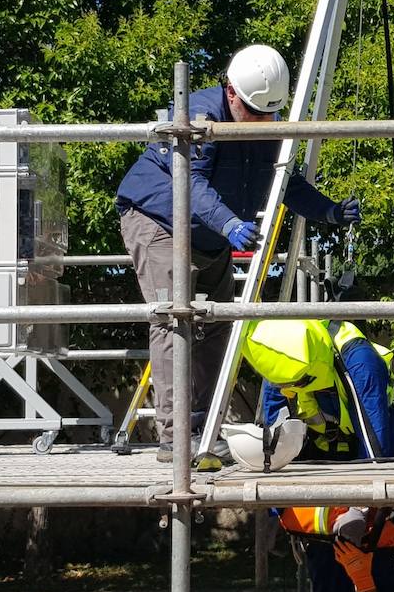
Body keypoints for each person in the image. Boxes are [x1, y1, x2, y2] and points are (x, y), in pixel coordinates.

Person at [116, 45, 360, 463]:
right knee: (175, 320)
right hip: (159, 222)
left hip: (209, 234)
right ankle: (174, 440)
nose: (263, 122)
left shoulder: (265, 121)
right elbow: (188, 182)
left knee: (217, 326)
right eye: (254, 112)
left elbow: (287, 183)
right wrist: (229, 223)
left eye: (270, 115)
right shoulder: (199, 117)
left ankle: (200, 428)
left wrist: (329, 211)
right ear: (231, 92)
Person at [238, 318, 394, 592]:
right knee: (325, 565)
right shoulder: (279, 365)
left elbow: (377, 450)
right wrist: (279, 511)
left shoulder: (359, 362)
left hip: (375, 451)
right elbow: (275, 451)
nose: (293, 391)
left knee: (375, 568)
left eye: (299, 384)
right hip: (321, 458)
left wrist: (360, 510)